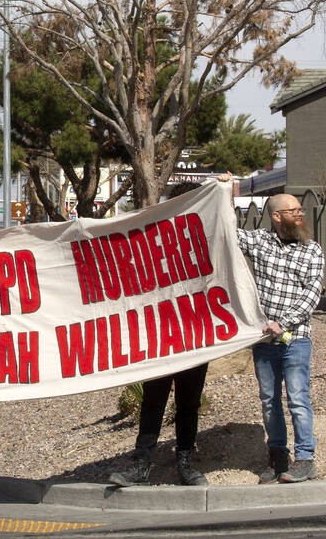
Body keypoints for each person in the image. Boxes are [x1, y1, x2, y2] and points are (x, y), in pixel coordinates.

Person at [220, 174, 324, 483]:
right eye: (293, 210)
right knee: (269, 400)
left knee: (297, 398)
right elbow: (227, 231)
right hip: (265, 340)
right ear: (276, 216)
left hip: (296, 339)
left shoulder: (312, 250)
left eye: (300, 210)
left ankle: (305, 459)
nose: (300, 214)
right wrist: (229, 191)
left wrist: (284, 323)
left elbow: (312, 294)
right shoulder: (260, 240)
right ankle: (278, 458)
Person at [111, 181, 209, 487]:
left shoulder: (207, 237)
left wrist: (224, 189)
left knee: (188, 402)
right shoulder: (154, 238)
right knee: (154, 399)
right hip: (161, 334)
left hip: (195, 332)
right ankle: (142, 463)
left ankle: (185, 463)